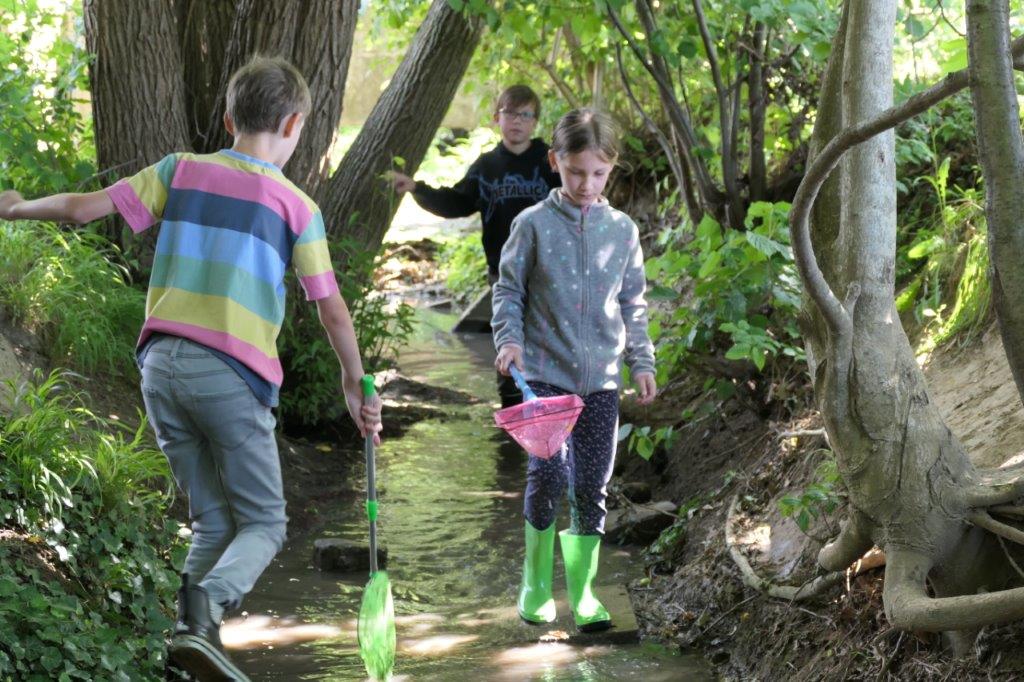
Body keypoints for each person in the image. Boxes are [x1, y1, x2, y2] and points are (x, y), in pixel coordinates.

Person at [0, 55, 383, 680]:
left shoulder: (181, 170)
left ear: (230, 118)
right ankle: (204, 608)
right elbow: (332, 311)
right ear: (294, 124)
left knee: (212, 519)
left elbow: (80, 209)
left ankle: (186, 648)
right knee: (264, 522)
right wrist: (351, 381)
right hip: (231, 377)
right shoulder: (295, 206)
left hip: (161, 372)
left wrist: (13, 208)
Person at [491, 108, 657, 632]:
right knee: (548, 473)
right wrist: (509, 340)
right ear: (555, 162)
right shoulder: (532, 224)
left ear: (612, 171)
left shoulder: (623, 230)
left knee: (591, 484)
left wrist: (641, 360)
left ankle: (583, 592)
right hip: (541, 373)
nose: (586, 184)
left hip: (602, 379)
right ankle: (536, 583)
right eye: (575, 172)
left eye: (598, 174)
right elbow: (508, 289)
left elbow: (633, 303)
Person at [389, 84, 561, 408]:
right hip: (503, 273)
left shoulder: (549, 162)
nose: (517, 121)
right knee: (508, 341)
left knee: (547, 341)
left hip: (548, 270)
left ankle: (551, 406)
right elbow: (456, 202)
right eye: (510, 113)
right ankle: (512, 411)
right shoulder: (486, 167)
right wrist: (417, 188)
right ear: (497, 118)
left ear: (535, 122)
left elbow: (574, 197)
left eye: (526, 115)